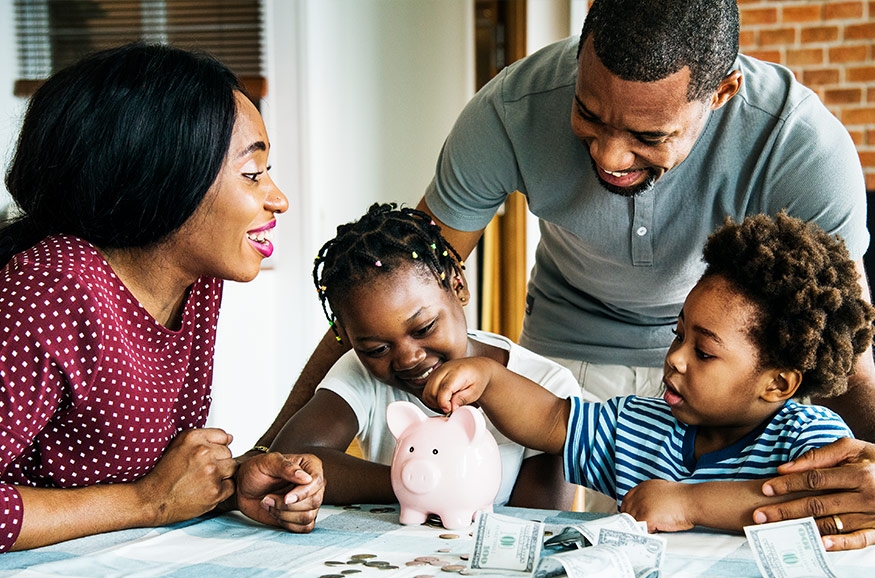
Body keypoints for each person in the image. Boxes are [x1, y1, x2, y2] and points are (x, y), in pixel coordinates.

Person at [254, 0, 875, 538]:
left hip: (733, 363)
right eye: (590, 114)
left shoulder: (801, 146)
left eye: (648, 134)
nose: (608, 156)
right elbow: (392, 283)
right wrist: (266, 452)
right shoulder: (509, 110)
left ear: (721, 94)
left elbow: (841, 353)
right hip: (567, 361)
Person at [0, 43, 323, 552]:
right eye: (252, 173)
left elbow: (164, 476)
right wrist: (146, 502)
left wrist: (233, 483)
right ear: (165, 175)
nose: (277, 198)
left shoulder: (196, 284)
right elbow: (149, 495)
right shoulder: (55, 288)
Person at [422, 213, 875, 546]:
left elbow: (816, 506)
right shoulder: (640, 424)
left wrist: (687, 502)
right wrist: (489, 379)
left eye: (704, 352)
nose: (675, 358)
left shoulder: (811, 440)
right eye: (678, 335)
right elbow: (552, 419)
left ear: (777, 385)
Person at [239, 202, 580, 520]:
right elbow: (292, 457)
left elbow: (537, 520)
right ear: (346, 337)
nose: (408, 358)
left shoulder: (548, 386)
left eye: (424, 327)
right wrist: (412, 483)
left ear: (457, 286)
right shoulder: (359, 372)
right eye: (377, 349)